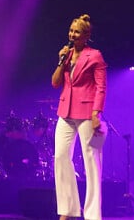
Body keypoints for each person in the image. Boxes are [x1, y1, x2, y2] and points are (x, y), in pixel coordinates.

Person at [51, 14, 107, 220]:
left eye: (77, 32)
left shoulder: (95, 56)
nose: (72, 35)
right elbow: (56, 83)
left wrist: (96, 114)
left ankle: (93, 215)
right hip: (65, 111)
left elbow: (101, 87)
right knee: (60, 157)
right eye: (71, 31)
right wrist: (60, 61)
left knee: (91, 163)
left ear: (86, 35)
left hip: (86, 112)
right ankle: (68, 210)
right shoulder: (66, 55)